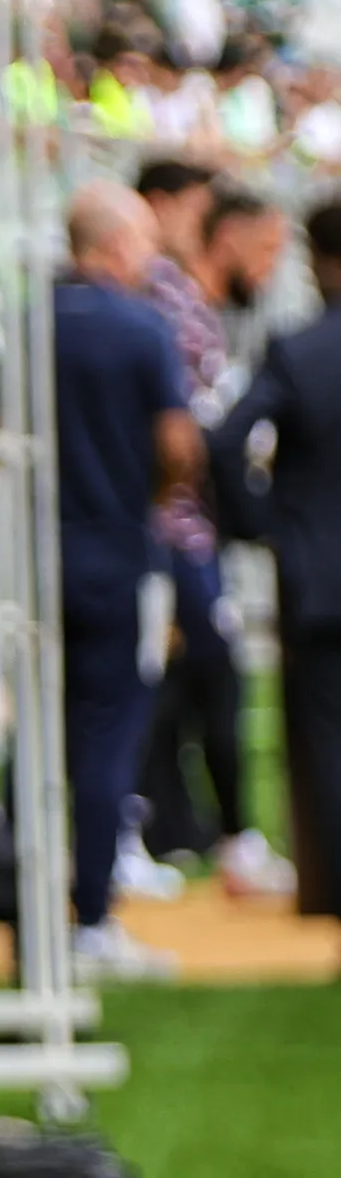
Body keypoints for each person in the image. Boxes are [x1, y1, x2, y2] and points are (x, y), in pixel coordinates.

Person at [134, 166, 297, 894]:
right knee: (195, 686)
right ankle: (214, 839)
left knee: (183, 692)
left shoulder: (190, 307)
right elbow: (183, 439)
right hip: (175, 535)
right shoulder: (169, 305)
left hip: (183, 534)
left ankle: (180, 831)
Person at [53, 181, 200, 979]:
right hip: (118, 554)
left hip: (44, 562)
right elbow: (179, 445)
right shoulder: (143, 326)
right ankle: (94, 916)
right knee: (111, 733)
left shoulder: (30, 321)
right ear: (110, 246)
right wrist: (149, 499)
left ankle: (37, 904)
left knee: (42, 736)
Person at [211, 198, 341, 917]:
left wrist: (262, 527)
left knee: (323, 734)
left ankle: (330, 886)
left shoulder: (298, 349)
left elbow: (227, 440)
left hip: (316, 573)